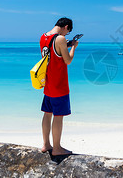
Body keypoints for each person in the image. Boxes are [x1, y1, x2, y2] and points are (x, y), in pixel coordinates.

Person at [39, 17, 79, 156]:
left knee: (47, 113)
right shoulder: (60, 39)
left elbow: (53, 51)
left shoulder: (43, 37)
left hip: (48, 83)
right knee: (58, 116)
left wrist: (66, 44)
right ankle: (56, 148)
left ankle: (46, 144)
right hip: (59, 84)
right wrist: (73, 47)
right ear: (66, 27)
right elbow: (67, 60)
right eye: (67, 32)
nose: (65, 35)